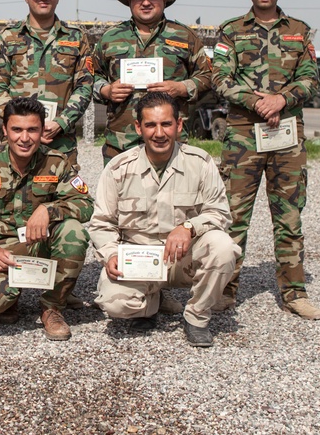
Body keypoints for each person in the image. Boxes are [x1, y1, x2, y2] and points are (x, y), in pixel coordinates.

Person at [212, 0, 320, 320]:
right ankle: (225, 290)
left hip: (286, 138)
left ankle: (294, 293)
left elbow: (310, 79)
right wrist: (259, 101)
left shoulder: (299, 31)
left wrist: (283, 100)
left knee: (289, 217)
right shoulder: (231, 32)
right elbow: (220, 78)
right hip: (243, 137)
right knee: (233, 217)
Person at [87, 92, 241, 347]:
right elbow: (102, 223)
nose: (159, 133)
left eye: (166, 124)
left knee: (223, 247)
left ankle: (197, 317)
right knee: (115, 304)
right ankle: (150, 304)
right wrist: (111, 254)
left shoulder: (199, 163)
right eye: (150, 125)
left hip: (183, 259)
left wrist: (189, 227)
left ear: (178, 125)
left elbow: (220, 213)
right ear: (139, 127)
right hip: (140, 260)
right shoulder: (118, 168)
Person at [0, 97, 93, 341]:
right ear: (5, 130)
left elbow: (86, 204)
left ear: (42, 130)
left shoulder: (56, 162)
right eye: (17, 129)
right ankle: (10, 298)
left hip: (40, 245)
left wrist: (48, 210)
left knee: (74, 232)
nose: (24, 138)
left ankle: (52, 307)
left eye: (32, 130)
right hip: (2, 250)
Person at [93, 0, 212, 164]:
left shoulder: (185, 36)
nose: (146, 2)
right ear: (130, 2)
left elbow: (207, 77)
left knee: (174, 194)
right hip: (121, 143)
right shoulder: (109, 38)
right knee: (122, 195)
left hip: (170, 142)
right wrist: (106, 90)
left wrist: (182, 87)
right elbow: (90, 77)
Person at [0, 0, 93, 164]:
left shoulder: (76, 37)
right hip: (17, 142)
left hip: (60, 141)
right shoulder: (8, 37)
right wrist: (17, 124)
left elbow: (84, 86)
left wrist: (61, 122)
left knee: (63, 193)